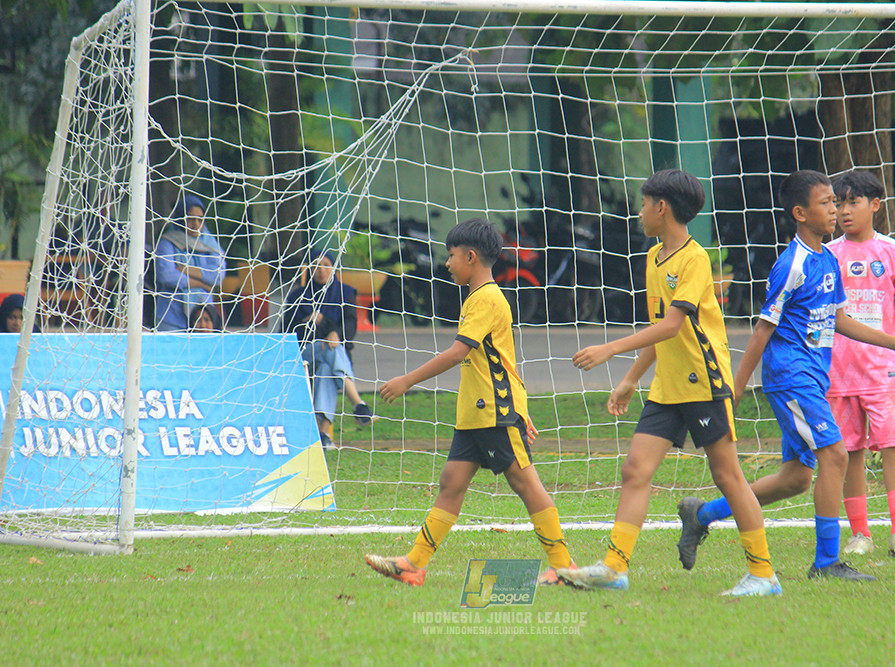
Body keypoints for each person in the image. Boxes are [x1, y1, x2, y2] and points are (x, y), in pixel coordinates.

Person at [676, 170, 895, 582]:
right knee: (836, 454)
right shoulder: (791, 263)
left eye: (837, 201)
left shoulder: (827, 258)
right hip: (791, 377)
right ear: (800, 212)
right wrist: (734, 392)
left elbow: (840, 319)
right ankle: (827, 562)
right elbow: (762, 330)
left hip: (813, 378)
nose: (836, 209)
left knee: (795, 479)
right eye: (827, 202)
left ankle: (701, 514)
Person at [555, 170, 778, 596]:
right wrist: (630, 379)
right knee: (635, 469)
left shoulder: (695, 259)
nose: (638, 213)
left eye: (643, 204)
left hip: (704, 382)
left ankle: (763, 574)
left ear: (662, 208)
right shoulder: (653, 256)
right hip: (668, 386)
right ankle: (614, 569)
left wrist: (609, 349)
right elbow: (660, 328)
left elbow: (674, 324)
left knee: (728, 476)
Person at [365, 218, 574, 587]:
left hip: (495, 411)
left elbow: (458, 352)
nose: (447, 263)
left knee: (527, 485)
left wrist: (407, 380)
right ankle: (414, 564)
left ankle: (565, 567)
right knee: (451, 482)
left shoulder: (487, 299)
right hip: (476, 413)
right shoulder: (478, 298)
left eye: (451, 256)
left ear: (471, 257)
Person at [828, 170, 895, 558]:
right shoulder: (829, 254)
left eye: (852, 202)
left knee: (892, 444)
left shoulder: (893, 252)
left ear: (875, 204)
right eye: (838, 203)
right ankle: (860, 533)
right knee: (849, 450)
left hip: (883, 370)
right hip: (838, 371)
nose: (843, 211)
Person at [283, 249, 373, 446]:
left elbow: (349, 327)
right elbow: (286, 332)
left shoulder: (345, 293)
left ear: (333, 268)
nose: (321, 270)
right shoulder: (297, 296)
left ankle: (323, 436)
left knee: (327, 364)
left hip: (332, 359)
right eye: (316, 266)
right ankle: (358, 403)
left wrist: (331, 330)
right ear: (309, 269)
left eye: (326, 265)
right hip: (304, 355)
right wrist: (307, 321)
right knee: (329, 349)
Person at [153, 194, 227, 331]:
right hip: (172, 316)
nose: (196, 224)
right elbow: (166, 275)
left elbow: (217, 275)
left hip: (202, 318)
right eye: (190, 219)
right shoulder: (167, 242)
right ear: (181, 218)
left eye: (200, 219)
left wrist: (185, 269)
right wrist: (201, 283)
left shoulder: (210, 243)